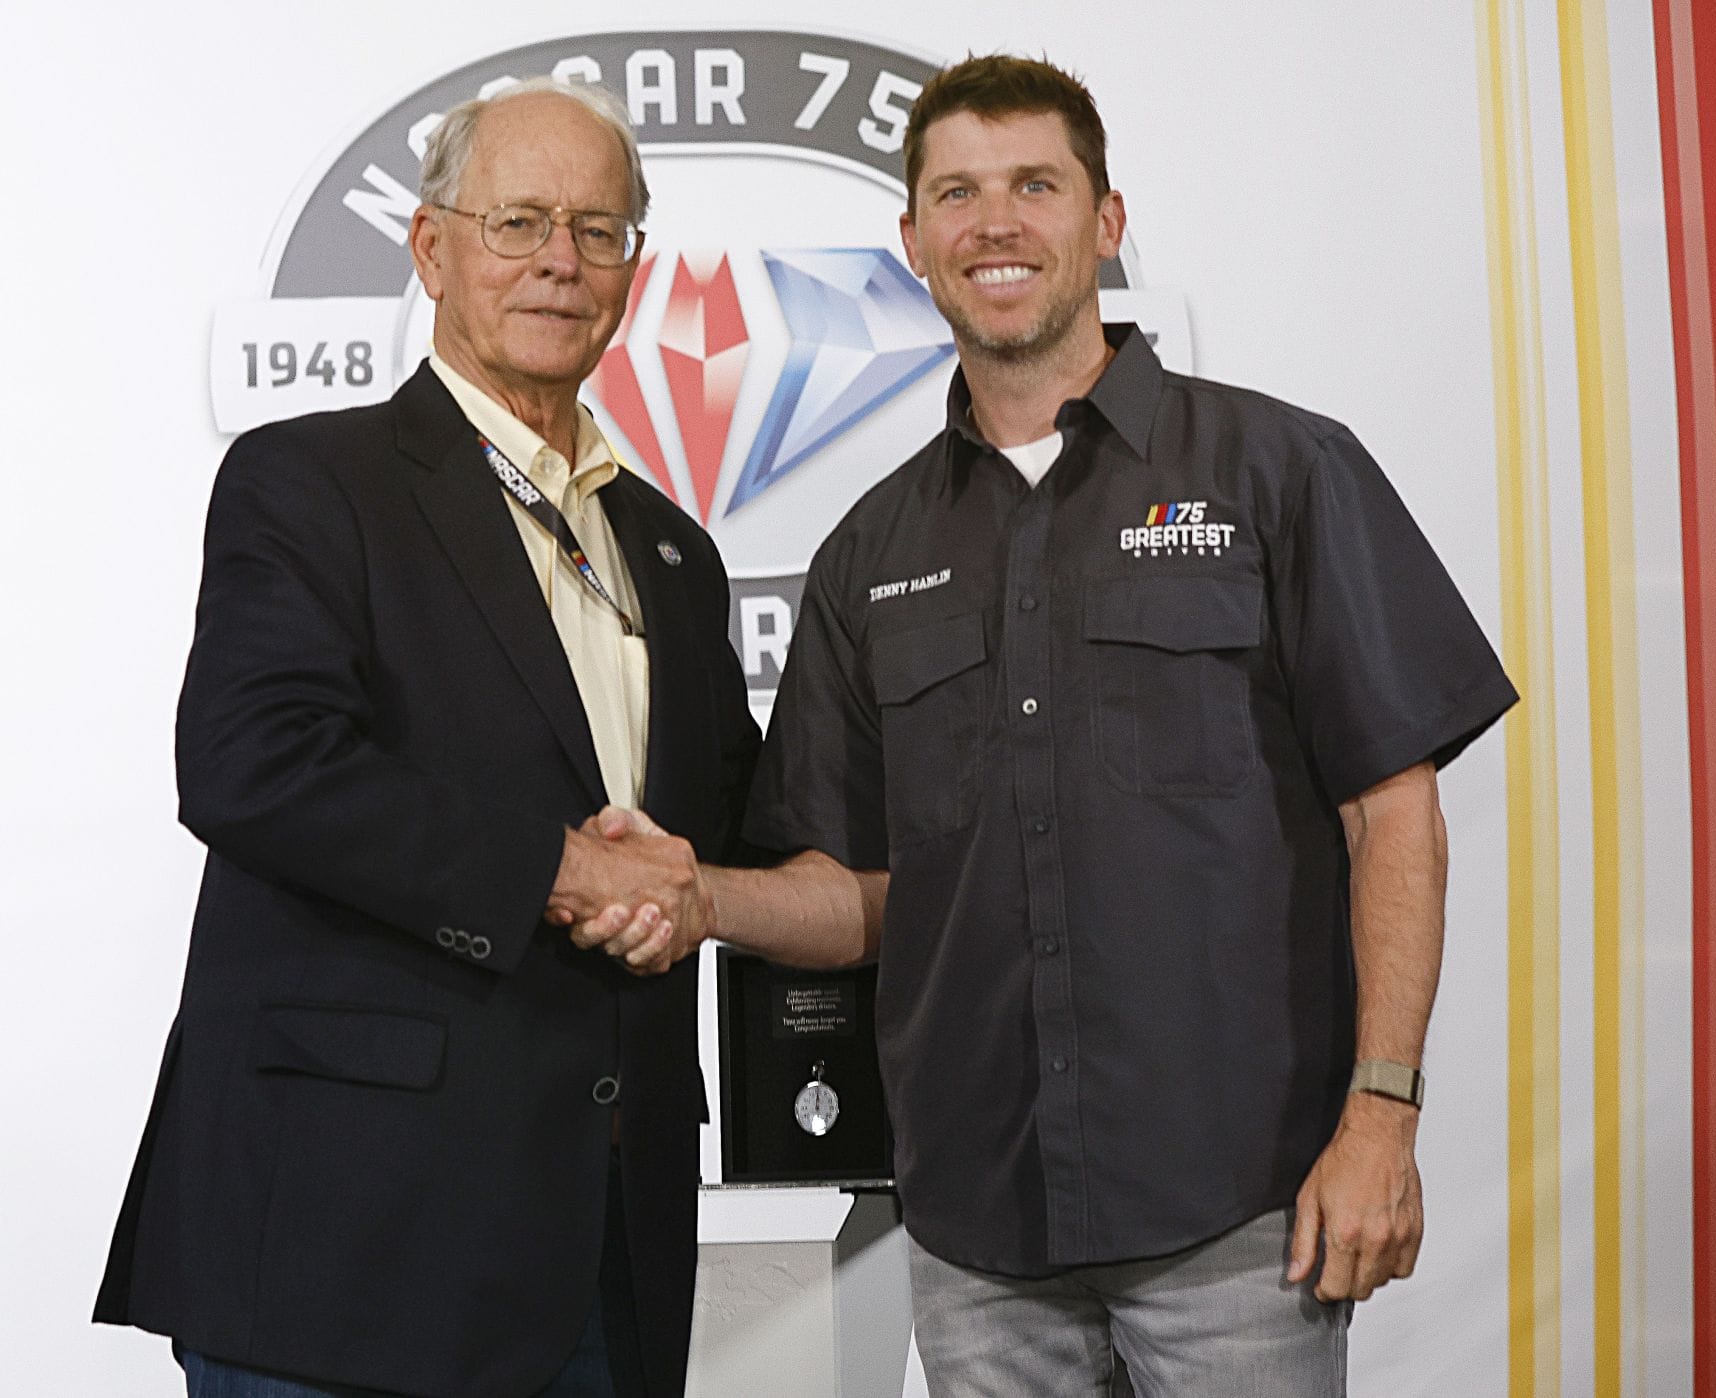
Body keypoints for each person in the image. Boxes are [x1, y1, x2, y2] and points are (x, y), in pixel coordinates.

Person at [569, 54, 1518, 1397]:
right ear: (913, 242)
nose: (994, 224)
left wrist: (1383, 1110)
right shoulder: (869, 553)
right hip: (976, 1235)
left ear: (1107, 219)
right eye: (956, 192)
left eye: (1034, 185)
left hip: (1242, 1218)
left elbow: (1393, 812)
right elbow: (858, 894)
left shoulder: (1277, 471)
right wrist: (695, 894)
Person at [94, 79, 760, 1398]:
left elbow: (728, 836)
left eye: (597, 228)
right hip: (350, 1250)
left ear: (635, 268)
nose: (560, 262)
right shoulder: (311, 480)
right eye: (517, 221)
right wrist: (569, 874)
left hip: (602, 1261)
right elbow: (254, 763)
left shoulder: (675, 552)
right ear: (432, 247)